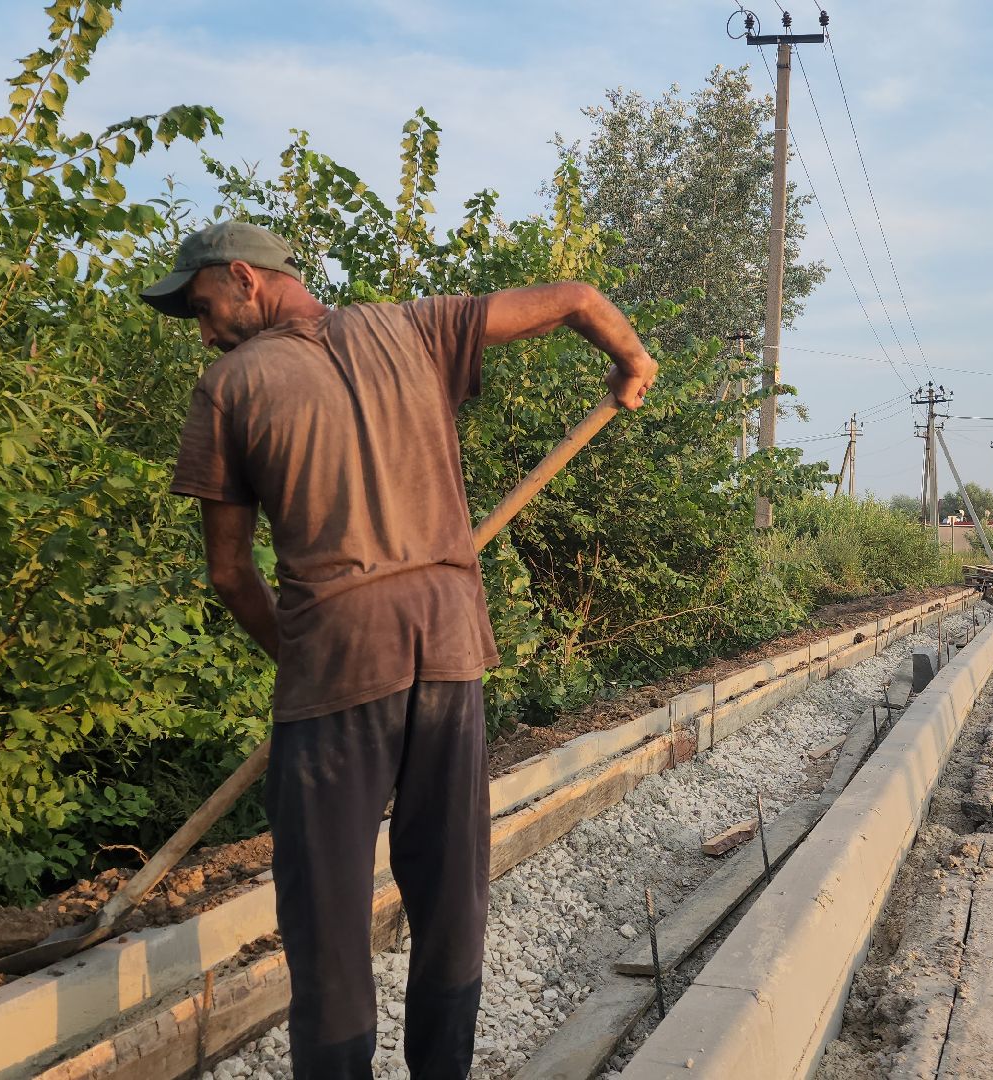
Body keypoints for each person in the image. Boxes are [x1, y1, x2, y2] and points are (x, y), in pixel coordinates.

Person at [142, 221, 658, 1080]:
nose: (203, 329)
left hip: (338, 660)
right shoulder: (412, 327)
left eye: (202, 307)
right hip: (451, 643)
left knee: (329, 918)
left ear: (244, 278)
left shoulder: (228, 386)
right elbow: (575, 301)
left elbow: (230, 575)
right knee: (451, 893)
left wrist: (303, 659)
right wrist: (631, 362)